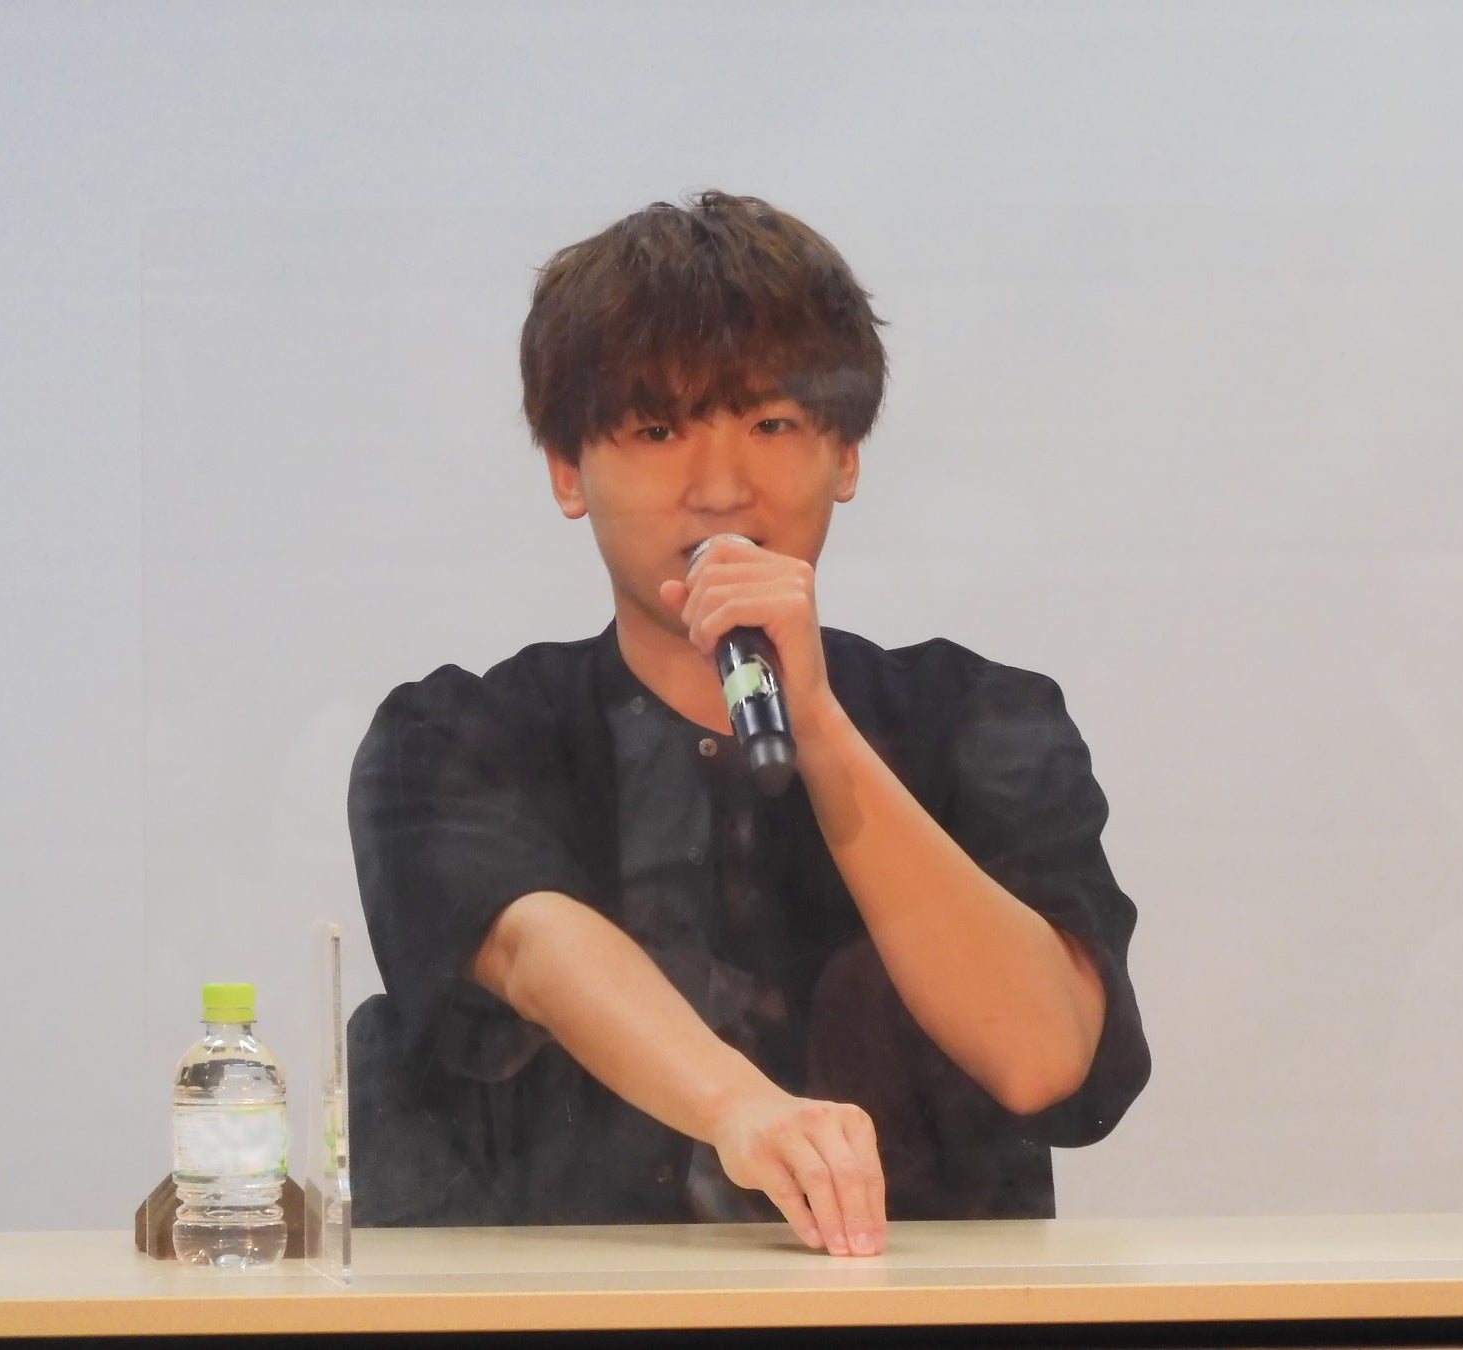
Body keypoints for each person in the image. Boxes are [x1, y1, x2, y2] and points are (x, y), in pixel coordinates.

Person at [347, 191, 1149, 1257]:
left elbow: (1044, 1057)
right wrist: (742, 1110)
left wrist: (814, 717)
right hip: (563, 1318)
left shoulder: (981, 719)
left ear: (846, 457)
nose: (720, 488)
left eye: (773, 425)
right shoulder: (457, 733)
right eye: (656, 431)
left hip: (913, 1322)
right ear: (567, 470)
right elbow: (534, 946)